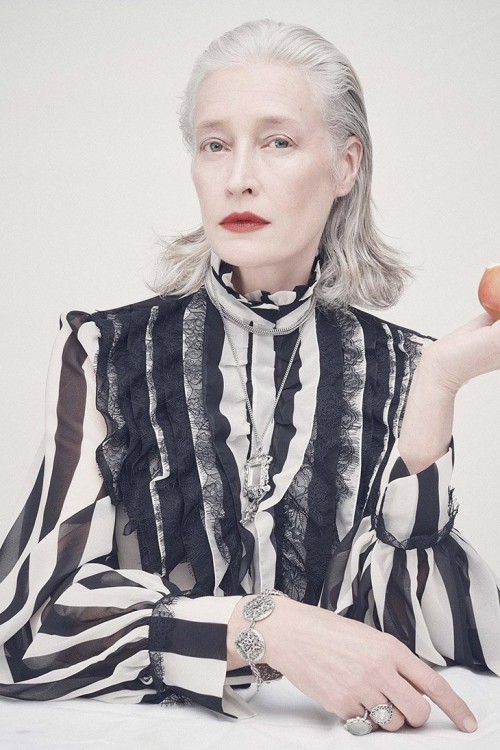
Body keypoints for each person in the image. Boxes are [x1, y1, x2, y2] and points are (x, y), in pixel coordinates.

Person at [1, 18, 499, 736]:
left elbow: (441, 637)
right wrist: (262, 627)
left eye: (278, 142)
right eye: (214, 144)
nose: (238, 176)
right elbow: (26, 626)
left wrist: (439, 387)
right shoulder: (103, 352)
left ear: (345, 166)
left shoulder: (405, 367)